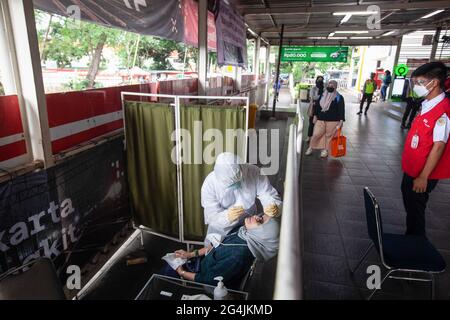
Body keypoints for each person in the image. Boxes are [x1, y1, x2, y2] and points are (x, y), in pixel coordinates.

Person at [162, 215, 279, 289]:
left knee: (166, 274)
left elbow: (209, 280)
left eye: (260, 221)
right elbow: (216, 244)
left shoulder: (239, 256)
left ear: (263, 235)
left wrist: (181, 272)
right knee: (172, 261)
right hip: (203, 263)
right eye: (261, 216)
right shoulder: (243, 232)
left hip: (203, 281)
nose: (255, 216)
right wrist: (190, 254)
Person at [401, 61, 450, 237]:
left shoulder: (443, 110)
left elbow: (438, 146)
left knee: (416, 209)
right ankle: (411, 236)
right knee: (410, 204)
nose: (416, 87)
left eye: (420, 82)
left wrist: (423, 177)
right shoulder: (428, 103)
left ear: (434, 82)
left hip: (423, 173)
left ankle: (416, 244)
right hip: (413, 167)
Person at [201, 153, 282, 238]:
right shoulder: (209, 185)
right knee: (217, 248)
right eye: (231, 184)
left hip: (249, 224)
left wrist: (273, 205)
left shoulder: (253, 172)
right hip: (222, 230)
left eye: (239, 180)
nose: (237, 185)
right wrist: (227, 217)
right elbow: (211, 216)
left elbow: (267, 193)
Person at [305, 80, 345, 158]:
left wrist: (341, 121)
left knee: (329, 136)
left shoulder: (339, 97)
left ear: (336, 87)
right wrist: (315, 116)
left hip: (333, 121)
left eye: (332, 85)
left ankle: (325, 150)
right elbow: (317, 106)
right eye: (329, 85)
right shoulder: (322, 95)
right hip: (320, 119)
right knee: (316, 134)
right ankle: (311, 147)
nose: (330, 86)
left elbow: (341, 110)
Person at [306, 76, 325, 142]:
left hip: (322, 109)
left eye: (321, 80)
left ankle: (317, 138)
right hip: (313, 108)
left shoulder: (324, 89)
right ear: (316, 80)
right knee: (311, 123)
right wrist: (320, 95)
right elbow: (313, 97)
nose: (320, 81)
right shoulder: (313, 88)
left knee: (320, 124)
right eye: (319, 80)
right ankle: (309, 137)